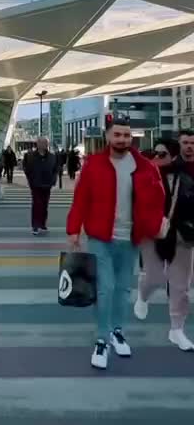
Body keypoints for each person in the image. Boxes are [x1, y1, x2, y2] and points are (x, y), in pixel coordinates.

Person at [67, 117, 165, 370]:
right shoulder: (94, 165)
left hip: (131, 238)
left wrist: (153, 226)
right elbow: (81, 198)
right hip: (101, 236)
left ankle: (117, 331)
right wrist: (73, 230)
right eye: (117, 135)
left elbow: (157, 199)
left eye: (126, 135)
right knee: (105, 288)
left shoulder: (144, 166)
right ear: (108, 137)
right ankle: (102, 338)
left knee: (122, 289)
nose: (122, 139)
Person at [135, 133, 194, 351]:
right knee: (155, 276)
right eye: (155, 153)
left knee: (181, 285)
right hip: (151, 232)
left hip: (182, 234)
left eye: (163, 154)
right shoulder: (145, 174)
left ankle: (177, 330)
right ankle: (143, 296)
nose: (157, 157)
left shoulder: (185, 174)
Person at [23, 136, 58, 234]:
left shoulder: (52, 156)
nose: (44, 145)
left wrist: (53, 180)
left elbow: (56, 169)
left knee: (44, 205)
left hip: (47, 184)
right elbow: (26, 168)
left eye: (45, 143)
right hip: (36, 184)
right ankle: (35, 225)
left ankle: (43, 224)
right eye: (41, 143)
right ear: (37, 144)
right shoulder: (30, 156)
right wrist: (31, 179)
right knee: (37, 204)